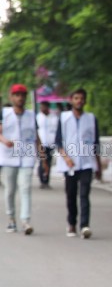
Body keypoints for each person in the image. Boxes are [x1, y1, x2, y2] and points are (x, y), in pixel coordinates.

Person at [55, 88, 101, 238]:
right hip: (70, 163)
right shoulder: (64, 118)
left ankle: (85, 225)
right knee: (71, 195)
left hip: (87, 162)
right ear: (71, 100)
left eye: (81, 98)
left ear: (85, 101)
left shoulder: (91, 119)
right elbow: (58, 141)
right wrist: (66, 157)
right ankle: (72, 223)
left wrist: (98, 164)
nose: (79, 101)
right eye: (76, 98)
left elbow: (95, 143)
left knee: (84, 194)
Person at [0, 84, 43, 234]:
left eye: (22, 95)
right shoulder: (4, 114)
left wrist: (43, 158)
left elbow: (36, 137)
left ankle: (25, 221)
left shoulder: (31, 115)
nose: (20, 98)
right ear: (11, 97)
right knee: (10, 190)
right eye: (17, 95)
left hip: (27, 157)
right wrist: (4, 140)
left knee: (25, 188)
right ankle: (11, 219)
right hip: (9, 157)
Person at [36, 99, 58, 189]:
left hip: (50, 143)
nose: (42, 108)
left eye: (44, 106)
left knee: (48, 163)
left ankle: (46, 181)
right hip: (40, 144)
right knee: (42, 161)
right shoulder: (37, 117)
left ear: (48, 107)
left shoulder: (54, 117)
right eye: (41, 107)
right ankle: (42, 181)